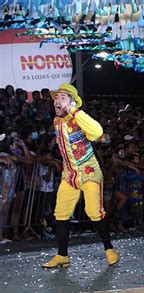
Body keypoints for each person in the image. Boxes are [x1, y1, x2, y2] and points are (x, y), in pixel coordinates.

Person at [42, 83, 119, 268]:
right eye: (56, 98)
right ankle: (62, 255)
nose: (57, 101)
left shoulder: (79, 118)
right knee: (61, 213)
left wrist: (74, 111)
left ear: (72, 103)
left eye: (62, 97)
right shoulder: (57, 121)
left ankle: (109, 249)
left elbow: (98, 132)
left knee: (94, 212)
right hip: (69, 175)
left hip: (89, 173)